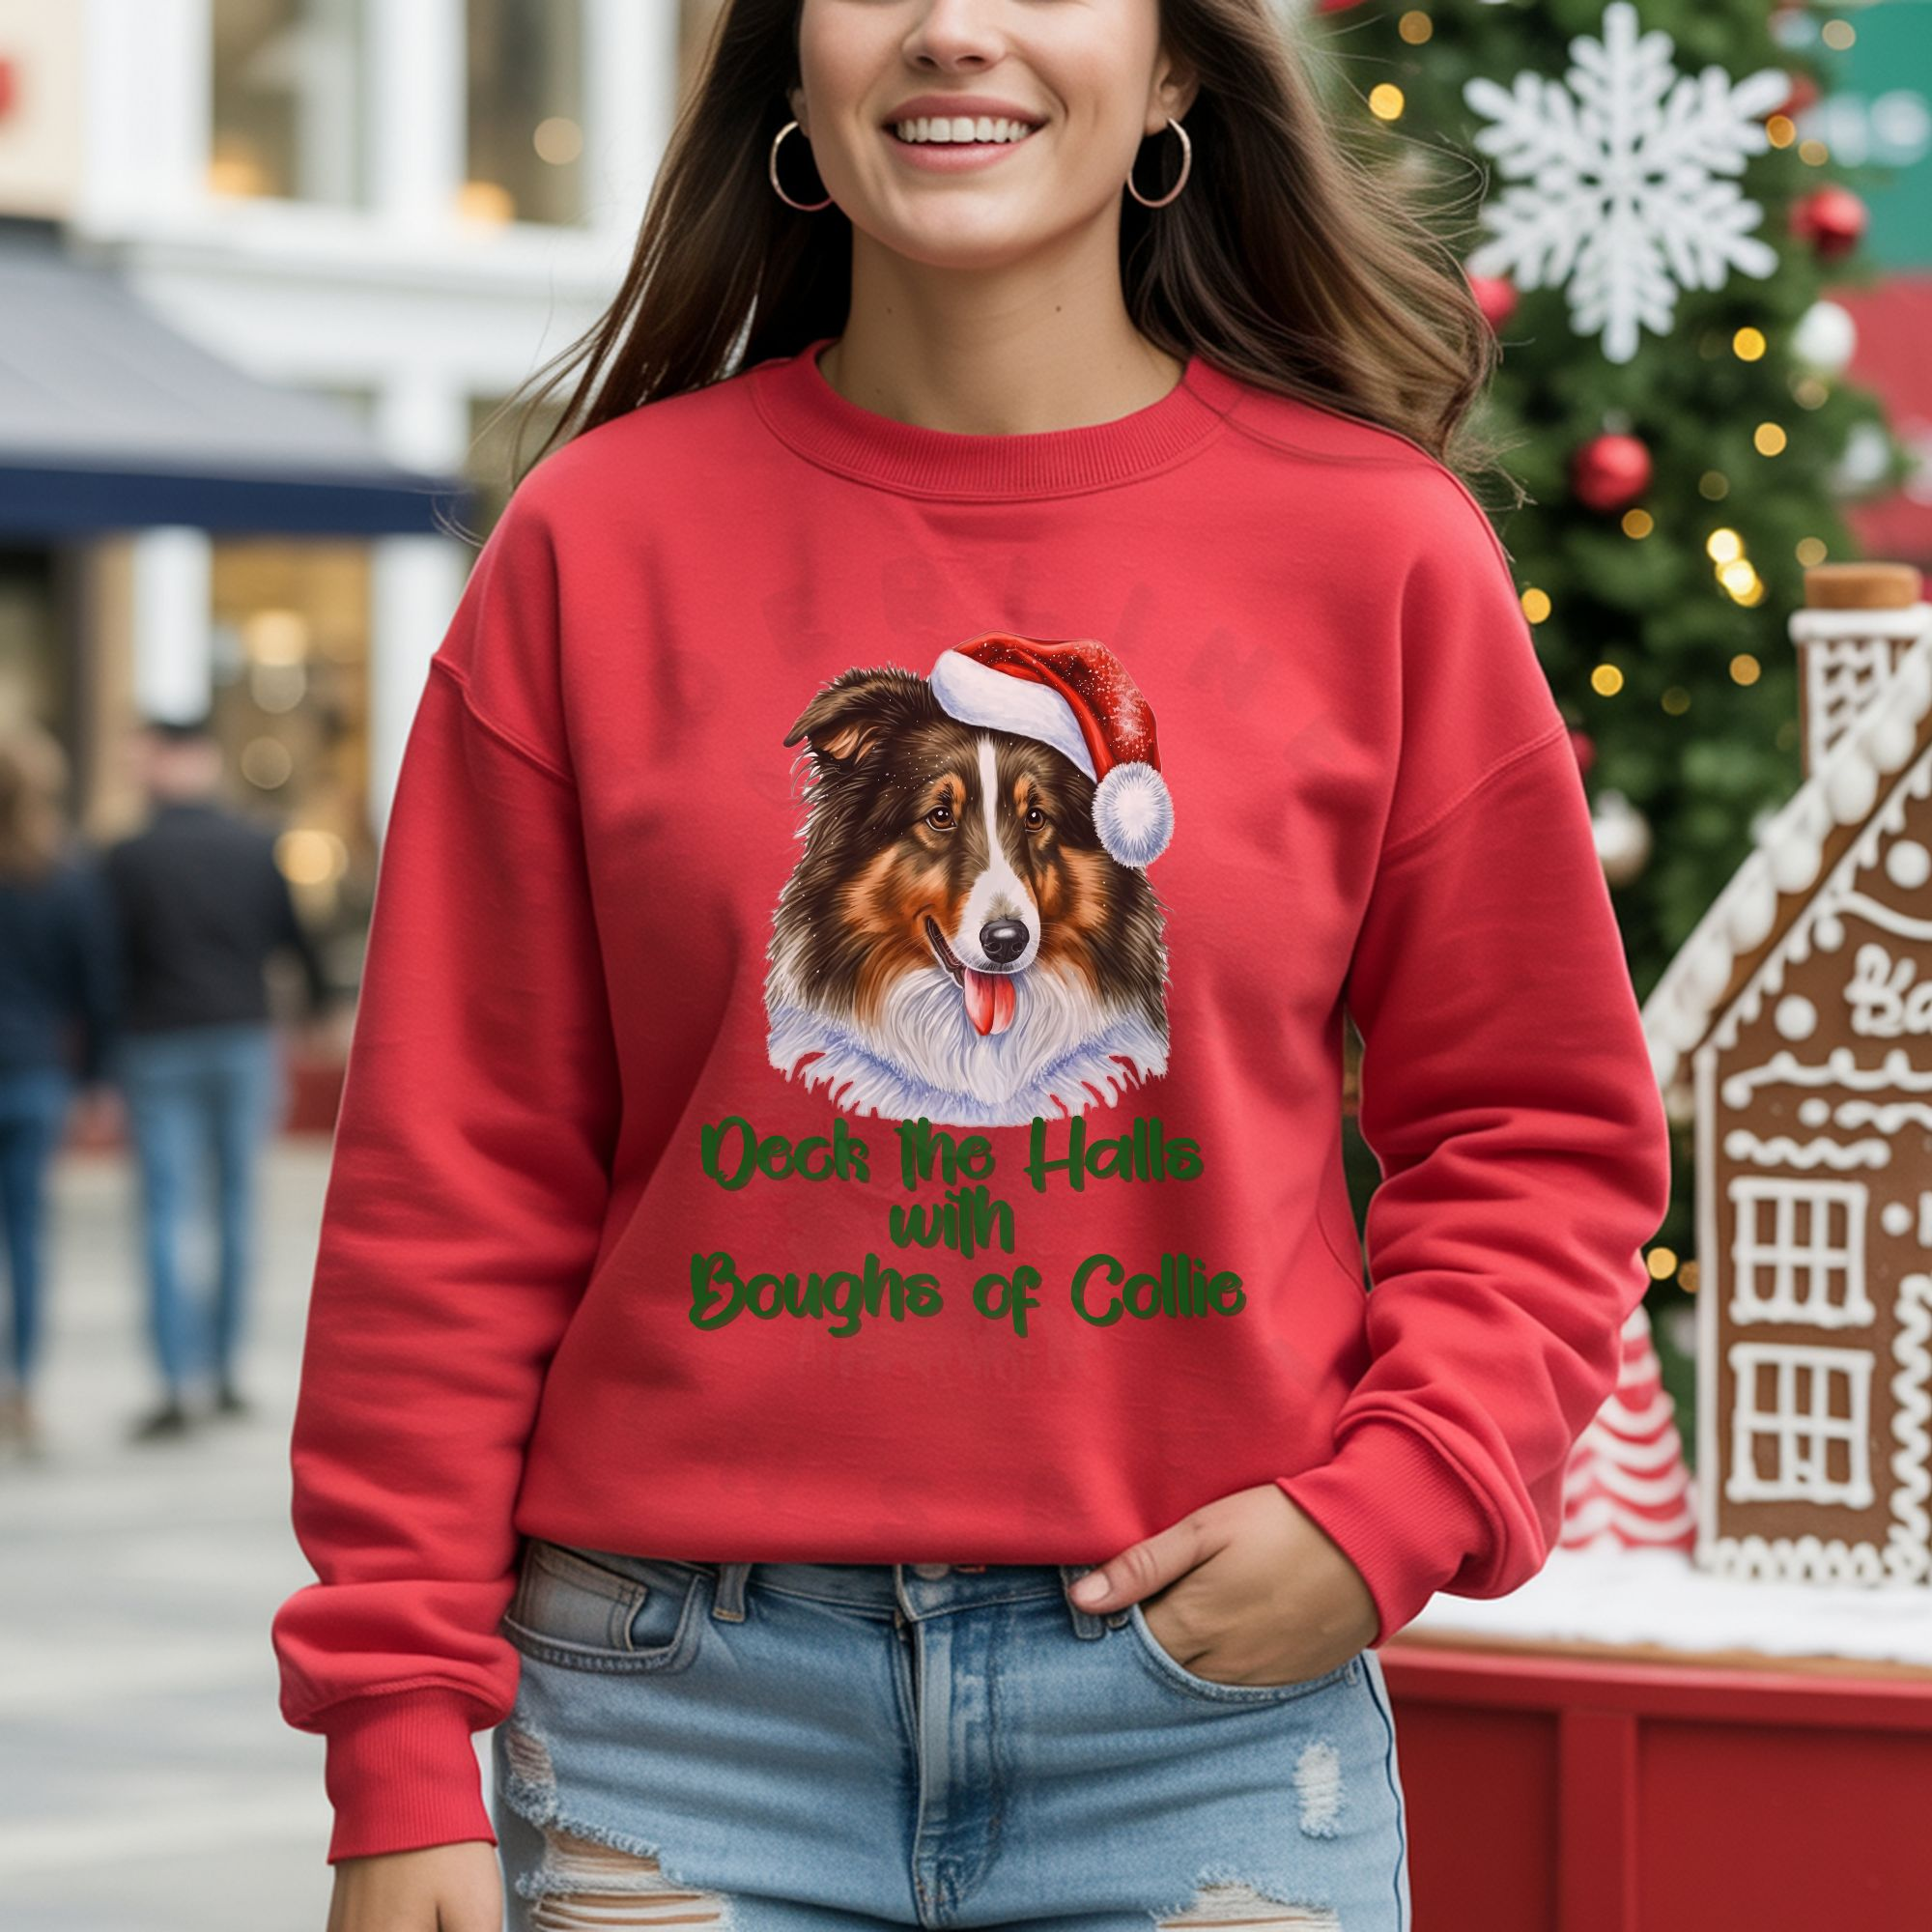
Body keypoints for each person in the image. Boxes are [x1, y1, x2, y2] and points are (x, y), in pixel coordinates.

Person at [274, 4, 1673, 1929]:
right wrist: (395, 1733)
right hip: (671, 1732)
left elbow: (1536, 1127)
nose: (953, 29)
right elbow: (455, 1180)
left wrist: (1393, 1507)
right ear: (788, 61)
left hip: (1201, 1733)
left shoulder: (1383, 556)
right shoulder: (593, 544)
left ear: (1177, 67)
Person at [103, 712, 330, 1440]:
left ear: (169, 759)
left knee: (166, 1212)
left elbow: (106, 966)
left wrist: (99, 1058)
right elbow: (296, 942)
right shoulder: (255, 846)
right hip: (240, 1037)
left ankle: (176, 1381)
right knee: (235, 1206)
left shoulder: (127, 858)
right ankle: (226, 1371)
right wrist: (315, 1014)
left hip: (157, 1043)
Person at [0, 721, 119, 1462]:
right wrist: (97, 1078)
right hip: (36, 1075)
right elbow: (97, 986)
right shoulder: (67, 878)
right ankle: (22, 1388)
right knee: (27, 1238)